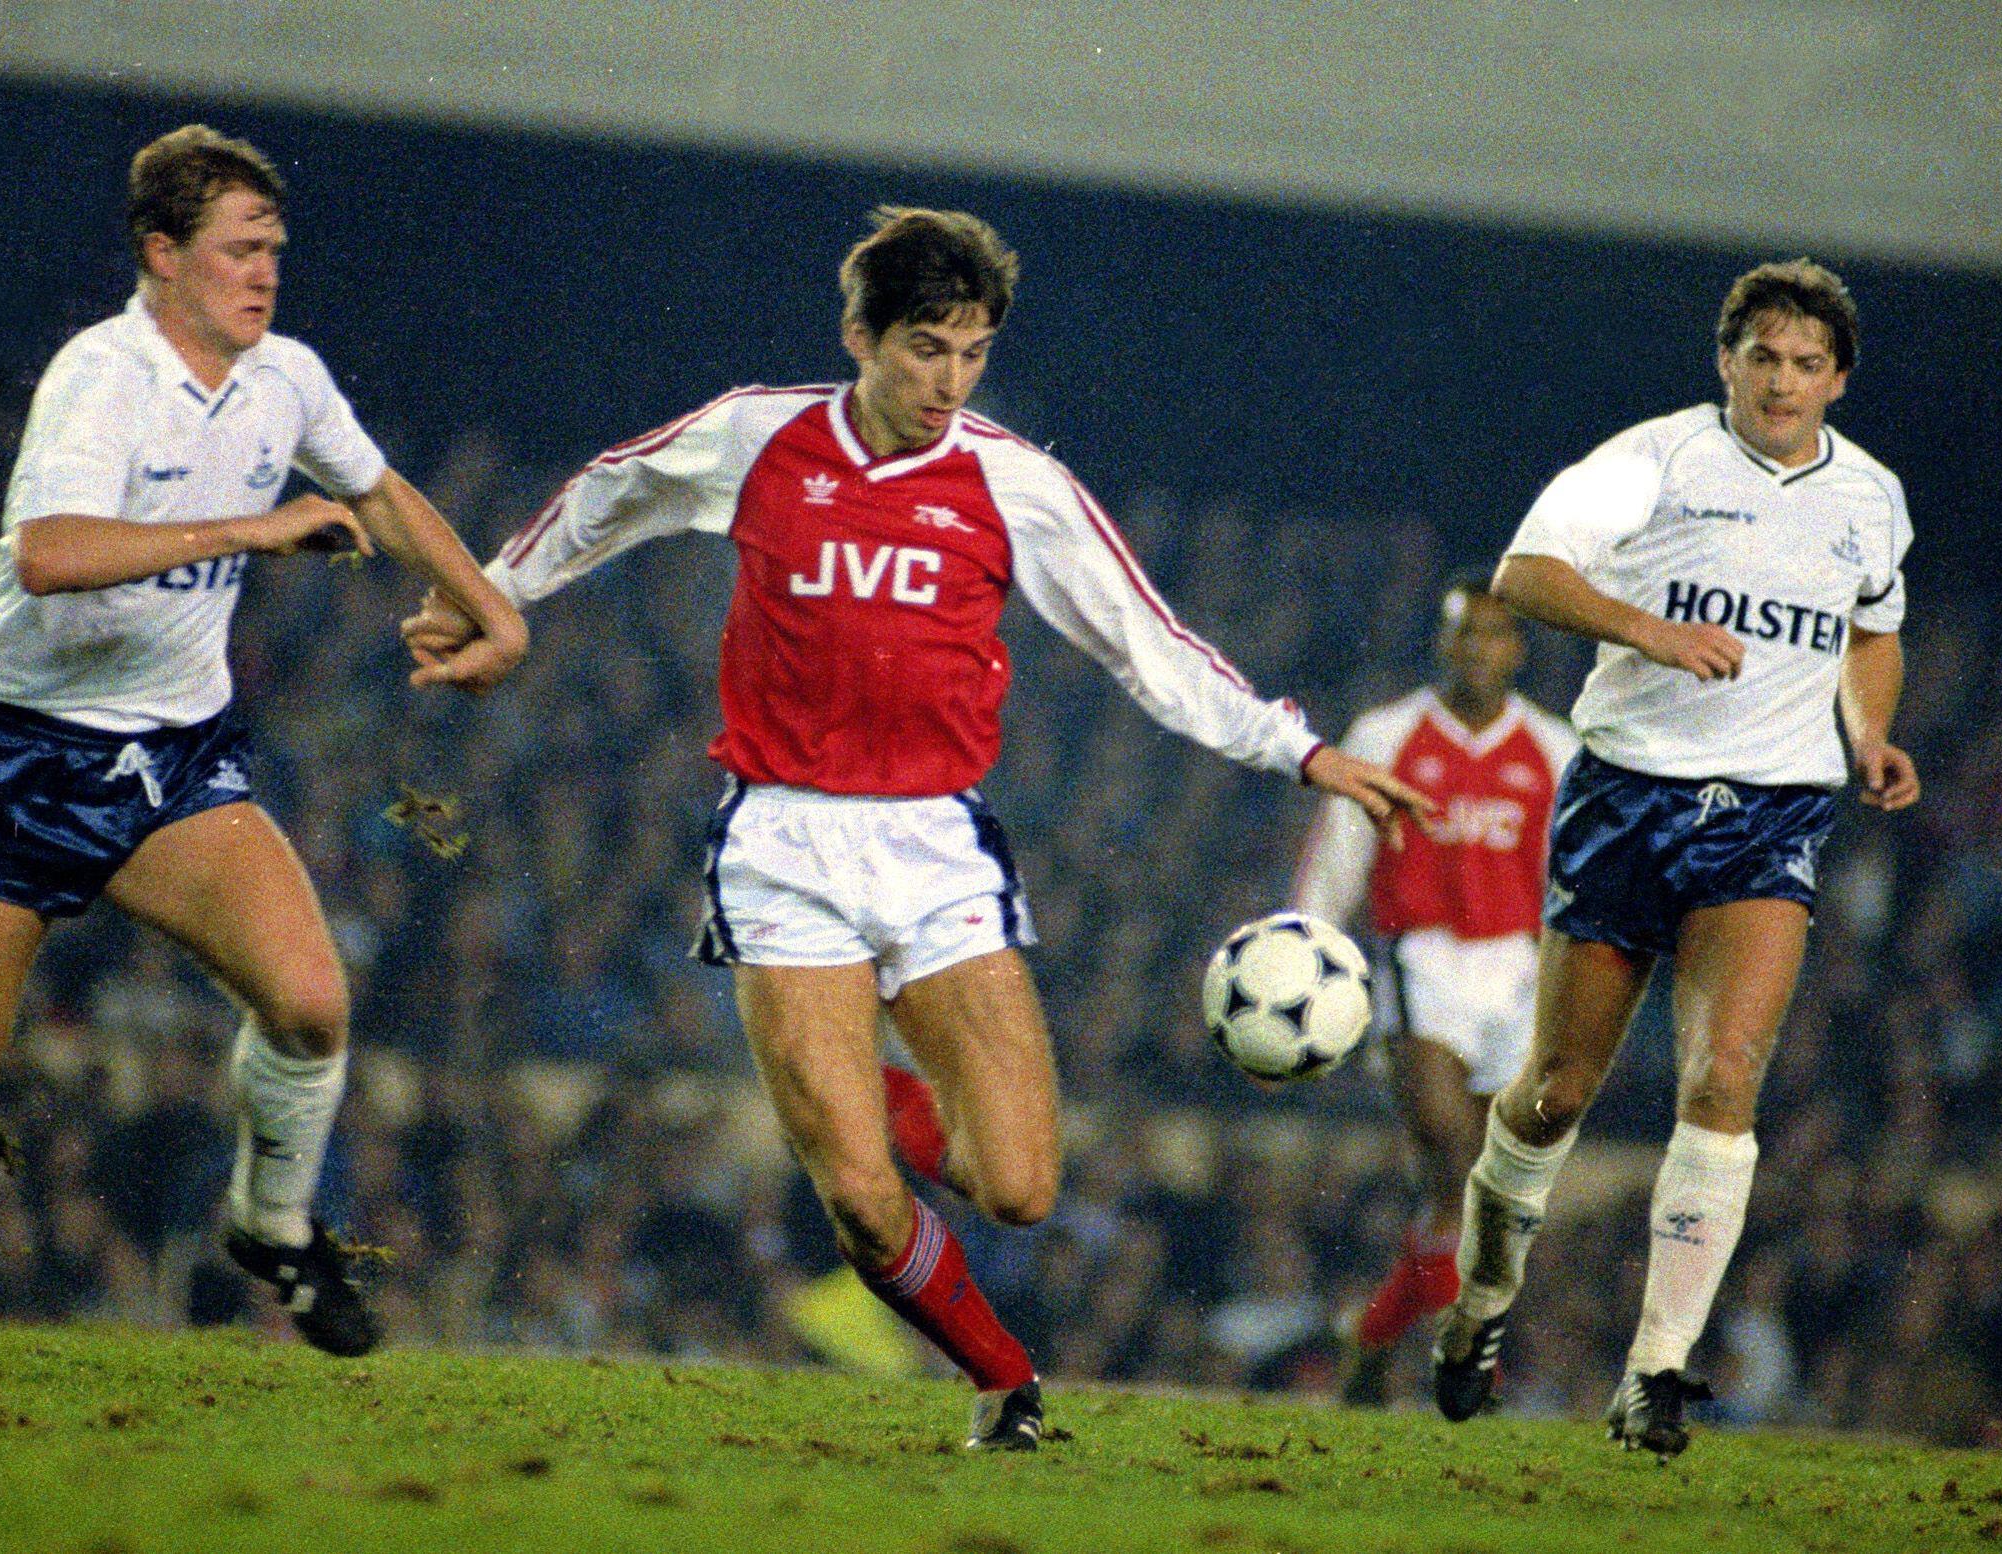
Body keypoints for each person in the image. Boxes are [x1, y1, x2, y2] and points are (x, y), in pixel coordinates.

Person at [403, 206, 1431, 1448]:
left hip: (936, 846)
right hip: (782, 844)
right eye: (924, 348)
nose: (948, 380)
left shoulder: (1014, 483)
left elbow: (1144, 646)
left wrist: (1300, 751)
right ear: (859, 335)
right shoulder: (756, 435)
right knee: (856, 1196)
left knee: (1020, 1186)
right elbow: (609, 495)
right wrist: (494, 598)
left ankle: (831, 1080)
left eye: (971, 351)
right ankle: (1006, 1387)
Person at [0, 125, 528, 1373]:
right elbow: (50, 557)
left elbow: (376, 490)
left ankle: (268, 1225)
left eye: (273, 248)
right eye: (237, 250)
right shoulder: (101, 379)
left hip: (170, 764)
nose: (264, 273)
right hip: (20, 763)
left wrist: (490, 604)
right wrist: (255, 530)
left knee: (313, 1004)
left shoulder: (287, 376)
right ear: (162, 255)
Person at [1430, 260, 1917, 1458]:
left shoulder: (1870, 496)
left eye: (1807, 364)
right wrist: (1650, 629)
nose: (1782, 382)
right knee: (1554, 1093)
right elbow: (1524, 575)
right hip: (1626, 799)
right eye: (1763, 357)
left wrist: (1871, 734)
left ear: (1838, 378)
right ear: (1726, 362)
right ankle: (1482, 1302)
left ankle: (1654, 1370)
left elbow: (1871, 629)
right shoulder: (1652, 459)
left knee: (1724, 1076)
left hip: (1769, 819)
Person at [1290, 575, 1575, 1404]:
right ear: (1441, 642)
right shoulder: (1387, 733)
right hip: (1421, 961)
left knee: (1483, 1194)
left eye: (1493, 634)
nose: (1477, 650)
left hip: (1520, 971)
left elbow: (1576, 876)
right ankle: (1466, 1358)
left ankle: (1374, 1331)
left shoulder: (1555, 749)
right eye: (1463, 633)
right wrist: (1309, 938)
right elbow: (1339, 850)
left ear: (1516, 649)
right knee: (1454, 1153)